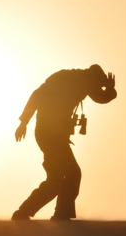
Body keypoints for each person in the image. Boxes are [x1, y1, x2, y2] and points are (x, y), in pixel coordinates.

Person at [12, 64, 117, 221]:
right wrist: (23, 123)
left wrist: (109, 89)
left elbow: (100, 98)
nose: (95, 88)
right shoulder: (64, 79)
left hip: (55, 136)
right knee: (73, 173)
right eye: (97, 84)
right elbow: (37, 95)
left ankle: (22, 213)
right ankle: (61, 215)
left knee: (55, 179)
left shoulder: (84, 82)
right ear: (91, 79)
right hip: (48, 135)